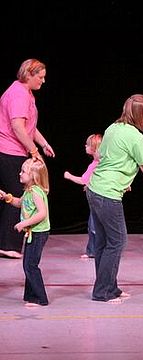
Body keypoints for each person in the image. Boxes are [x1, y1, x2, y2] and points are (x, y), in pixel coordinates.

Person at [86, 94, 143, 303]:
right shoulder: (135, 136)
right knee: (118, 241)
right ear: (137, 113)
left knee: (104, 242)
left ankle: (110, 288)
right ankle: (102, 291)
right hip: (107, 194)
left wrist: (124, 180)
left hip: (95, 189)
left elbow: (108, 158)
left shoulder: (112, 128)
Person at [0, 59, 55, 259]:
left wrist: (43, 143)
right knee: (18, 194)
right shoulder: (18, 94)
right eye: (40, 77)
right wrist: (33, 152)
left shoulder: (25, 93)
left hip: (13, 149)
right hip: (9, 150)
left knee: (12, 193)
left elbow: (29, 125)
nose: (43, 81)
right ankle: (8, 244)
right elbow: (17, 127)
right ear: (28, 75)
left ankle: (7, 243)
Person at [0, 158, 51, 306]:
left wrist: (24, 223)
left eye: (23, 171)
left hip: (38, 232)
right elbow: (20, 203)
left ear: (33, 176)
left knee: (30, 265)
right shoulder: (28, 191)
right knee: (28, 264)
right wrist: (7, 198)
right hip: (32, 233)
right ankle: (31, 296)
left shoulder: (36, 192)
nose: (20, 173)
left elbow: (42, 213)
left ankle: (41, 298)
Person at [64, 133, 103, 258]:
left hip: (98, 201)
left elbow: (83, 180)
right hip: (98, 199)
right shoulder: (98, 163)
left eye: (88, 144)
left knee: (94, 226)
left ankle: (94, 251)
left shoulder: (96, 165)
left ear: (94, 148)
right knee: (95, 225)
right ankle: (95, 250)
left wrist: (69, 176)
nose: (85, 146)